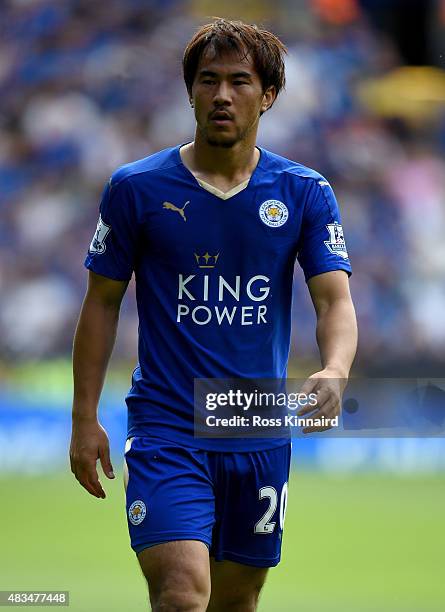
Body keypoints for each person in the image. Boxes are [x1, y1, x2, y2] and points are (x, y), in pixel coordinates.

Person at [70, 18, 357, 612]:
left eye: (239, 82)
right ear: (190, 91)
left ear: (268, 95)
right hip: (167, 424)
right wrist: (84, 418)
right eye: (208, 81)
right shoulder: (136, 189)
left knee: (235, 601)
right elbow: (101, 303)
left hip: (255, 425)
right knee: (181, 594)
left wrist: (335, 367)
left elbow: (334, 298)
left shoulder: (303, 191)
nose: (222, 95)